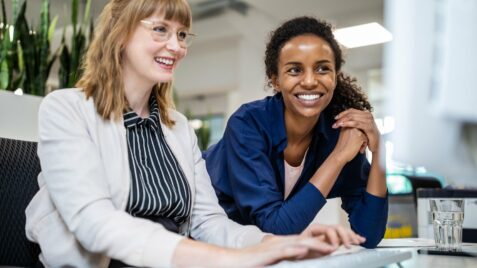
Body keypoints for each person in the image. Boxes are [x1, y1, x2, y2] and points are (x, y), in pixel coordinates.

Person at [24, 2, 365, 267]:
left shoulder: (178, 127)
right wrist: (223, 259)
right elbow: (94, 223)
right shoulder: (66, 109)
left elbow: (208, 223)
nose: (176, 46)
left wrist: (275, 244)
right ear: (120, 33)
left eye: (183, 34)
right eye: (160, 30)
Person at [203, 16, 388, 248]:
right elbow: (276, 228)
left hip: (252, 249)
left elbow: (368, 234)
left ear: (334, 76)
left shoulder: (336, 133)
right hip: (196, 234)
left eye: (322, 68)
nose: (310, 81)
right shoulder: (249, 123)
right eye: (295, 70)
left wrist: (378, 149)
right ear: (276, 81)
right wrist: (338, 157)